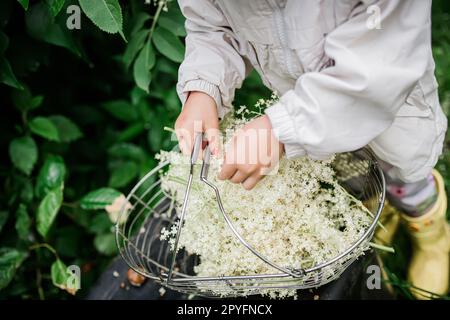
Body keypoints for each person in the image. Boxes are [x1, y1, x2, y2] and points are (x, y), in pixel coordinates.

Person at [174, 0, 449, 299]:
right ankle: (379, 213)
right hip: (310, 115)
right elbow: (212, 25)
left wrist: (283, 129)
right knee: (354, 181)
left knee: (403, 181)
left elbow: (381, 63)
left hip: (393, 115)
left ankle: (430, 233)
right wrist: (204, 86)